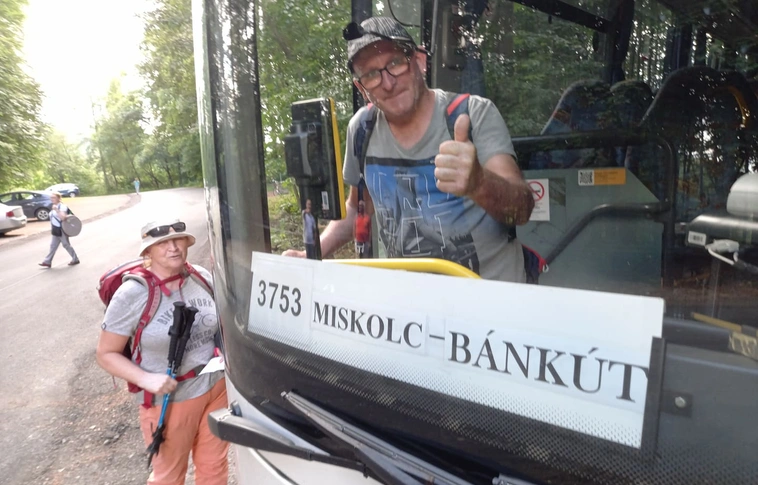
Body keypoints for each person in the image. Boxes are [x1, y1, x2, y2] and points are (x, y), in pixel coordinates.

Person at [284, 17, 534, 282]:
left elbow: (522, 210)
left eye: (395, 63)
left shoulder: (473, 113)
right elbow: (358, 208)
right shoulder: (362, 129)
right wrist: (311, 253)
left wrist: (479, 182)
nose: (387, 83)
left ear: (419, 61)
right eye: (371, 75)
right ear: (362, 88)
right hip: (409, 301)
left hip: (488, 298)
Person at [96, 219, 228, 485]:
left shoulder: (201, 277)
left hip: (216, 389)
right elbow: (105, 354)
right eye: (162, 243)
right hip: (171, 398)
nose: (173, 247)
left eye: (179, 240)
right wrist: (145, 379)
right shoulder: (132, 294)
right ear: (148, 251)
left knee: (214, 469)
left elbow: (221, 324)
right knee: (169, 476)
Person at [39, 191, 79, 268]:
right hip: (55, 229)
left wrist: (57, 210)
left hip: (62, 229)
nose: (52, 199)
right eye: (51, 197)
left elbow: (63, 218)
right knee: (53, 246)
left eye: (54, 197)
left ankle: (75, 259)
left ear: (59, 198)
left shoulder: (62, 207)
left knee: (66, 244)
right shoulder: (54, 206)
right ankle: (47, 261)